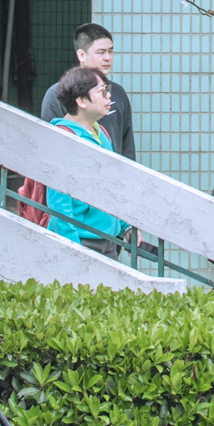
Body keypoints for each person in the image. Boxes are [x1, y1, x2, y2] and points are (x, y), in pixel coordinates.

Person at [44, 65, 130, 257]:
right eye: (103, 91)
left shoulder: (102, 133)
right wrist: (73, 248)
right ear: (82, 100)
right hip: (82, 243)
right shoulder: (63, 139)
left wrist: (125, 226)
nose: (109, 96)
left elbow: (112, 186)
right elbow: (58, 201)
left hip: (108, 240)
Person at [40, 22, 136, 159]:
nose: (107, 58)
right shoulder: (57, 93)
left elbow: (127, 146)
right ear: (81, 55)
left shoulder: (118, 92)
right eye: (101, 52)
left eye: (111, 51)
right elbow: (50, 145)